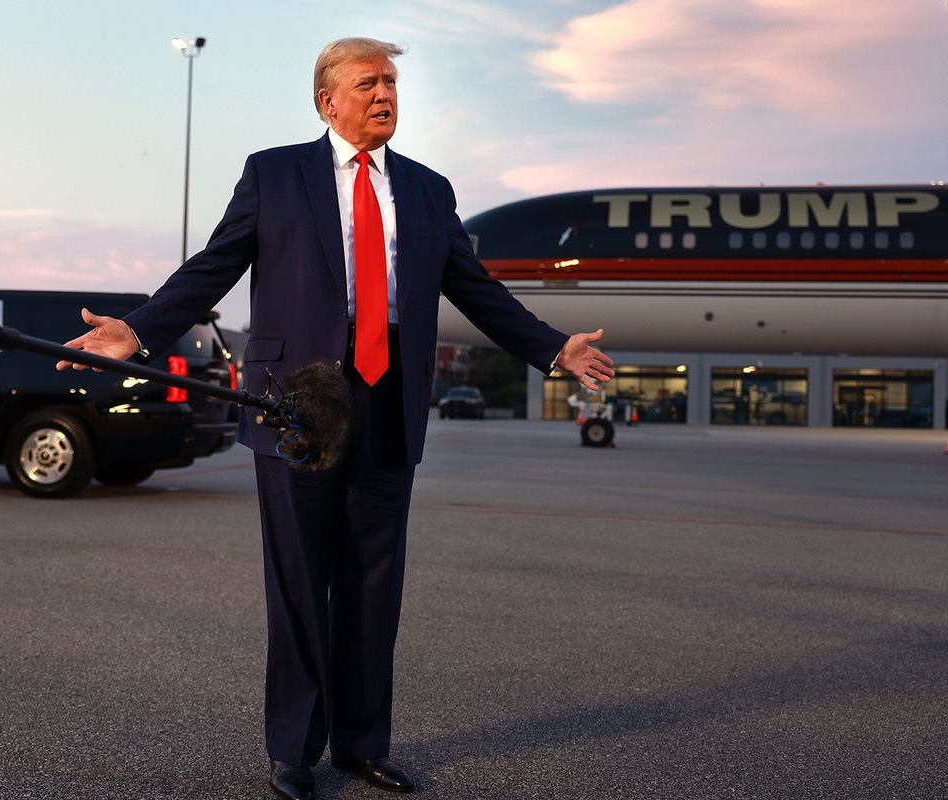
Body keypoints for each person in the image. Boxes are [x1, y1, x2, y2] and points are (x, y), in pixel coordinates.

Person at [56, 38, 614, 800]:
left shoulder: (426, 190)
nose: (385, 94)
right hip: (297, 399)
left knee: (373, 583)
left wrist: (551, 348)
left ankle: (360, 746)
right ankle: (293, 748)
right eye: (368, 83)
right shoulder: (274, 174)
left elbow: (475, 288)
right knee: (298, 580)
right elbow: (214, 265)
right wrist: (141, 328)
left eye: (391, 82)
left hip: (388, 400)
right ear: (328, 101)